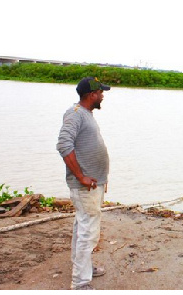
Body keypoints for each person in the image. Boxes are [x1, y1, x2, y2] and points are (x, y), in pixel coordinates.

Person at [56, 77, 111, 290]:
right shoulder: (75, 114)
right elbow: (63, 145)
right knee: (88, 231)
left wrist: (101, 179)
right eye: (100, 92)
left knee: (82, 227)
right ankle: (80, 283)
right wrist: (81, 177)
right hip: (85, 186)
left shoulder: (85, 114)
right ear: (91, 95)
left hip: (93, 184)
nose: (103, 95)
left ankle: (83, 267)